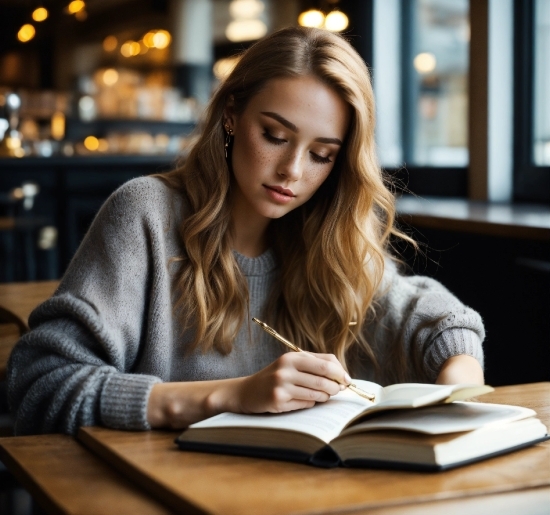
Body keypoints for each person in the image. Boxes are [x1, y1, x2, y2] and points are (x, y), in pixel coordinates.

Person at [7, 27, 484, 436]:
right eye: (275, 136)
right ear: (232, 114)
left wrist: (460, 375)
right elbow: (39, 384)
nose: (292, 171)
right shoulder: (146, 215)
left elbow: (431, 315)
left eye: (322, 154)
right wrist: (228, 397)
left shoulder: (324, 238)